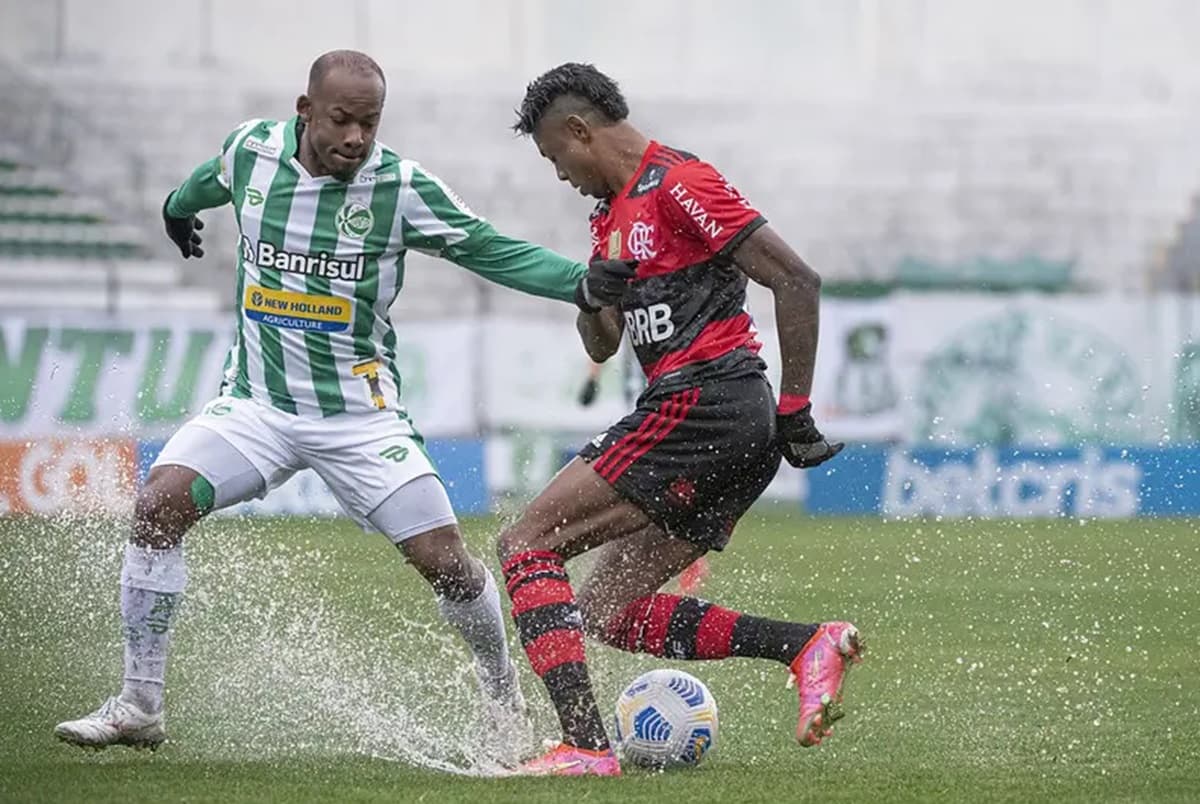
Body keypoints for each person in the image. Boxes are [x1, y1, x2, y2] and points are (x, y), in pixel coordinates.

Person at [54, 50, 589, 757]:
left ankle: (502, 695)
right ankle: (139, 705)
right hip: (257, 408)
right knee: (158, 506)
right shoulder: (252, 152)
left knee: (445, 560)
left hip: (360, 419)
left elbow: (490, 249)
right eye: (342, 120)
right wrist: (176, 209)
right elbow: (210, 179)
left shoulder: (399, 187)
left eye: (370, 123)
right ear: (305, 111)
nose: (356, 138)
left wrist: (584, 283)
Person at [497, 63, 862, 776]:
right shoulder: (609, 217)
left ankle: (584, 747)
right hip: (716, 420)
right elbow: (603, 343)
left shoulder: (680, 183)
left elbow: (796, 279)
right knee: (607, 612)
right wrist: (589, 296)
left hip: (705, 403)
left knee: (526, 543)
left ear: (579, 131)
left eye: (554, 157)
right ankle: (804, 645)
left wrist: (795, 407)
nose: (560, 175)